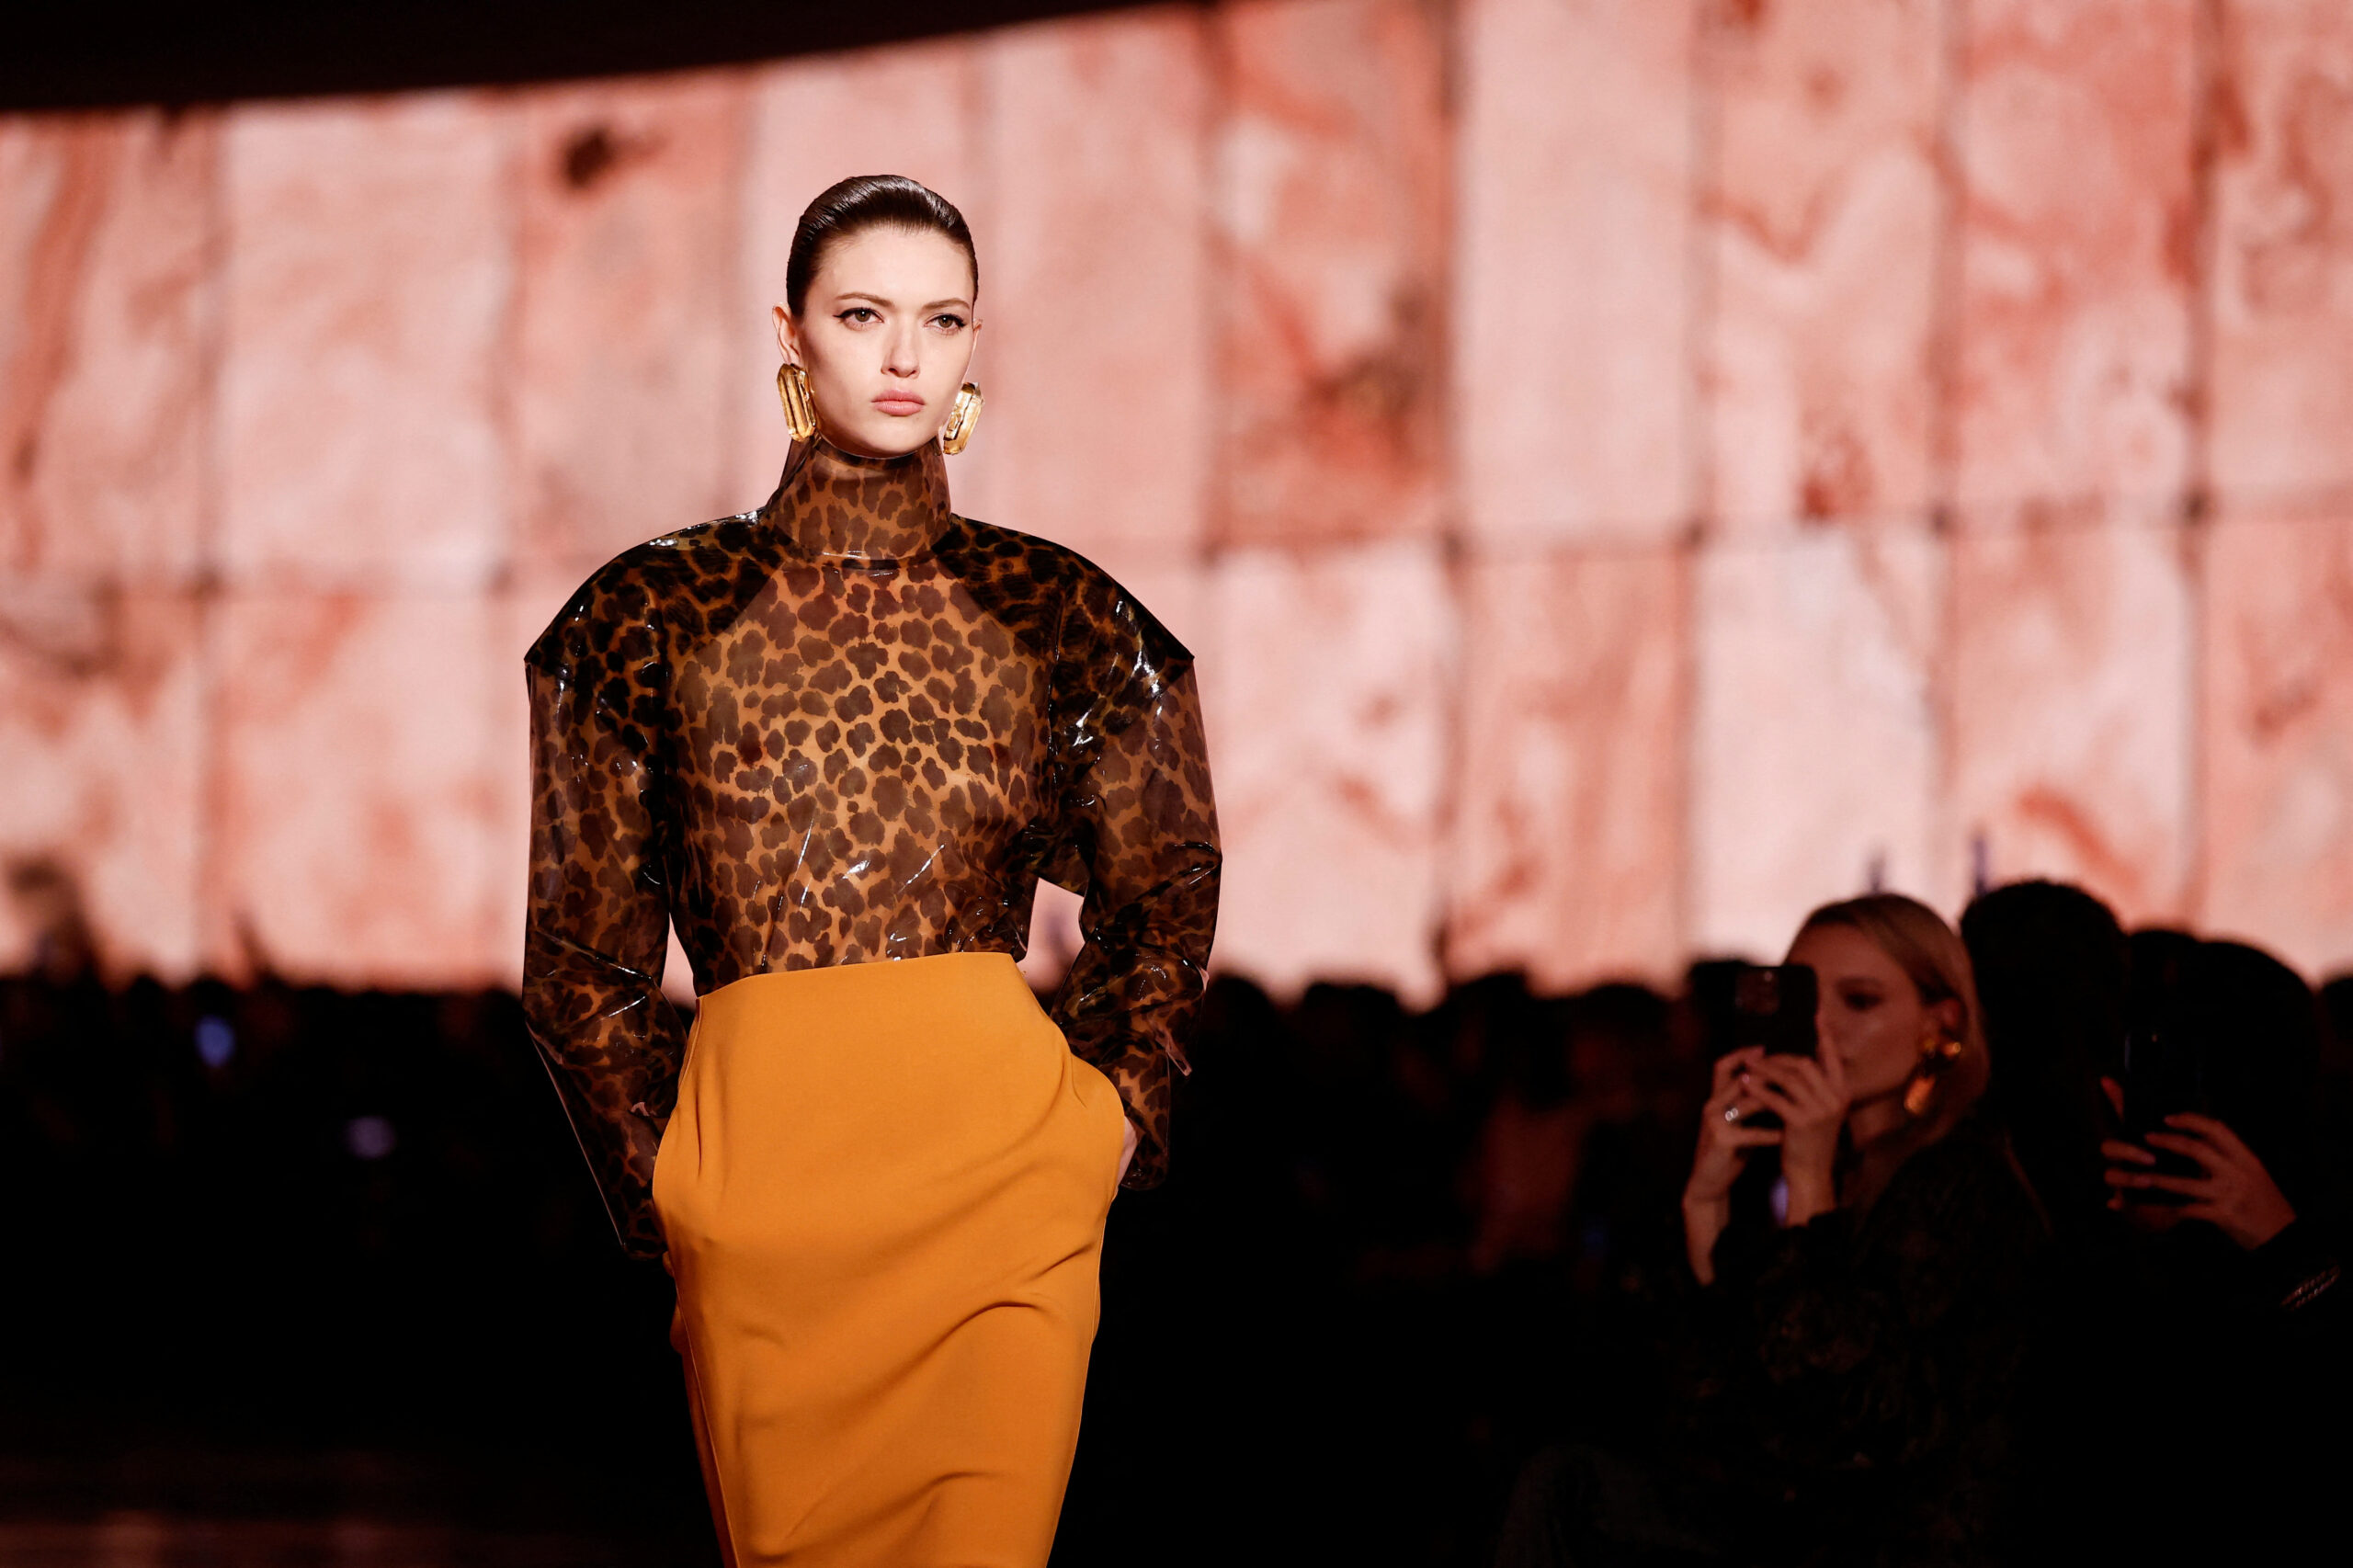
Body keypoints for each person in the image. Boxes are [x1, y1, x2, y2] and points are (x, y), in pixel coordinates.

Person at [520, 175, 1221, 1568]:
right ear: (790, 332)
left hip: (1005, 1189)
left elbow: (1169, 883)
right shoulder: (645, 618)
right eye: (862, 314)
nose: (906, 355)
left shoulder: (1059, 614)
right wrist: (670, 1187)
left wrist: (1112, 1116)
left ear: (974, 343)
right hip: (766, 1202)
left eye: (941, 319)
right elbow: (580, 957)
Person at [1495, 894, 2048, 1567]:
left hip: (1895, 1540)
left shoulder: (1964, 1179)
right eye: (1803, 1001)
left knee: (1570, 1489)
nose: (1823, 1029)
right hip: (1798, 1521)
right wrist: (1707, 1204)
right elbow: (1713, 1412)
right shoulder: (1841, 1166)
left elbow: (1855, 1419)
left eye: (1861, 1001)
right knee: (1567, 1476)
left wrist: (1808, 1182)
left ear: (1943, 1025)